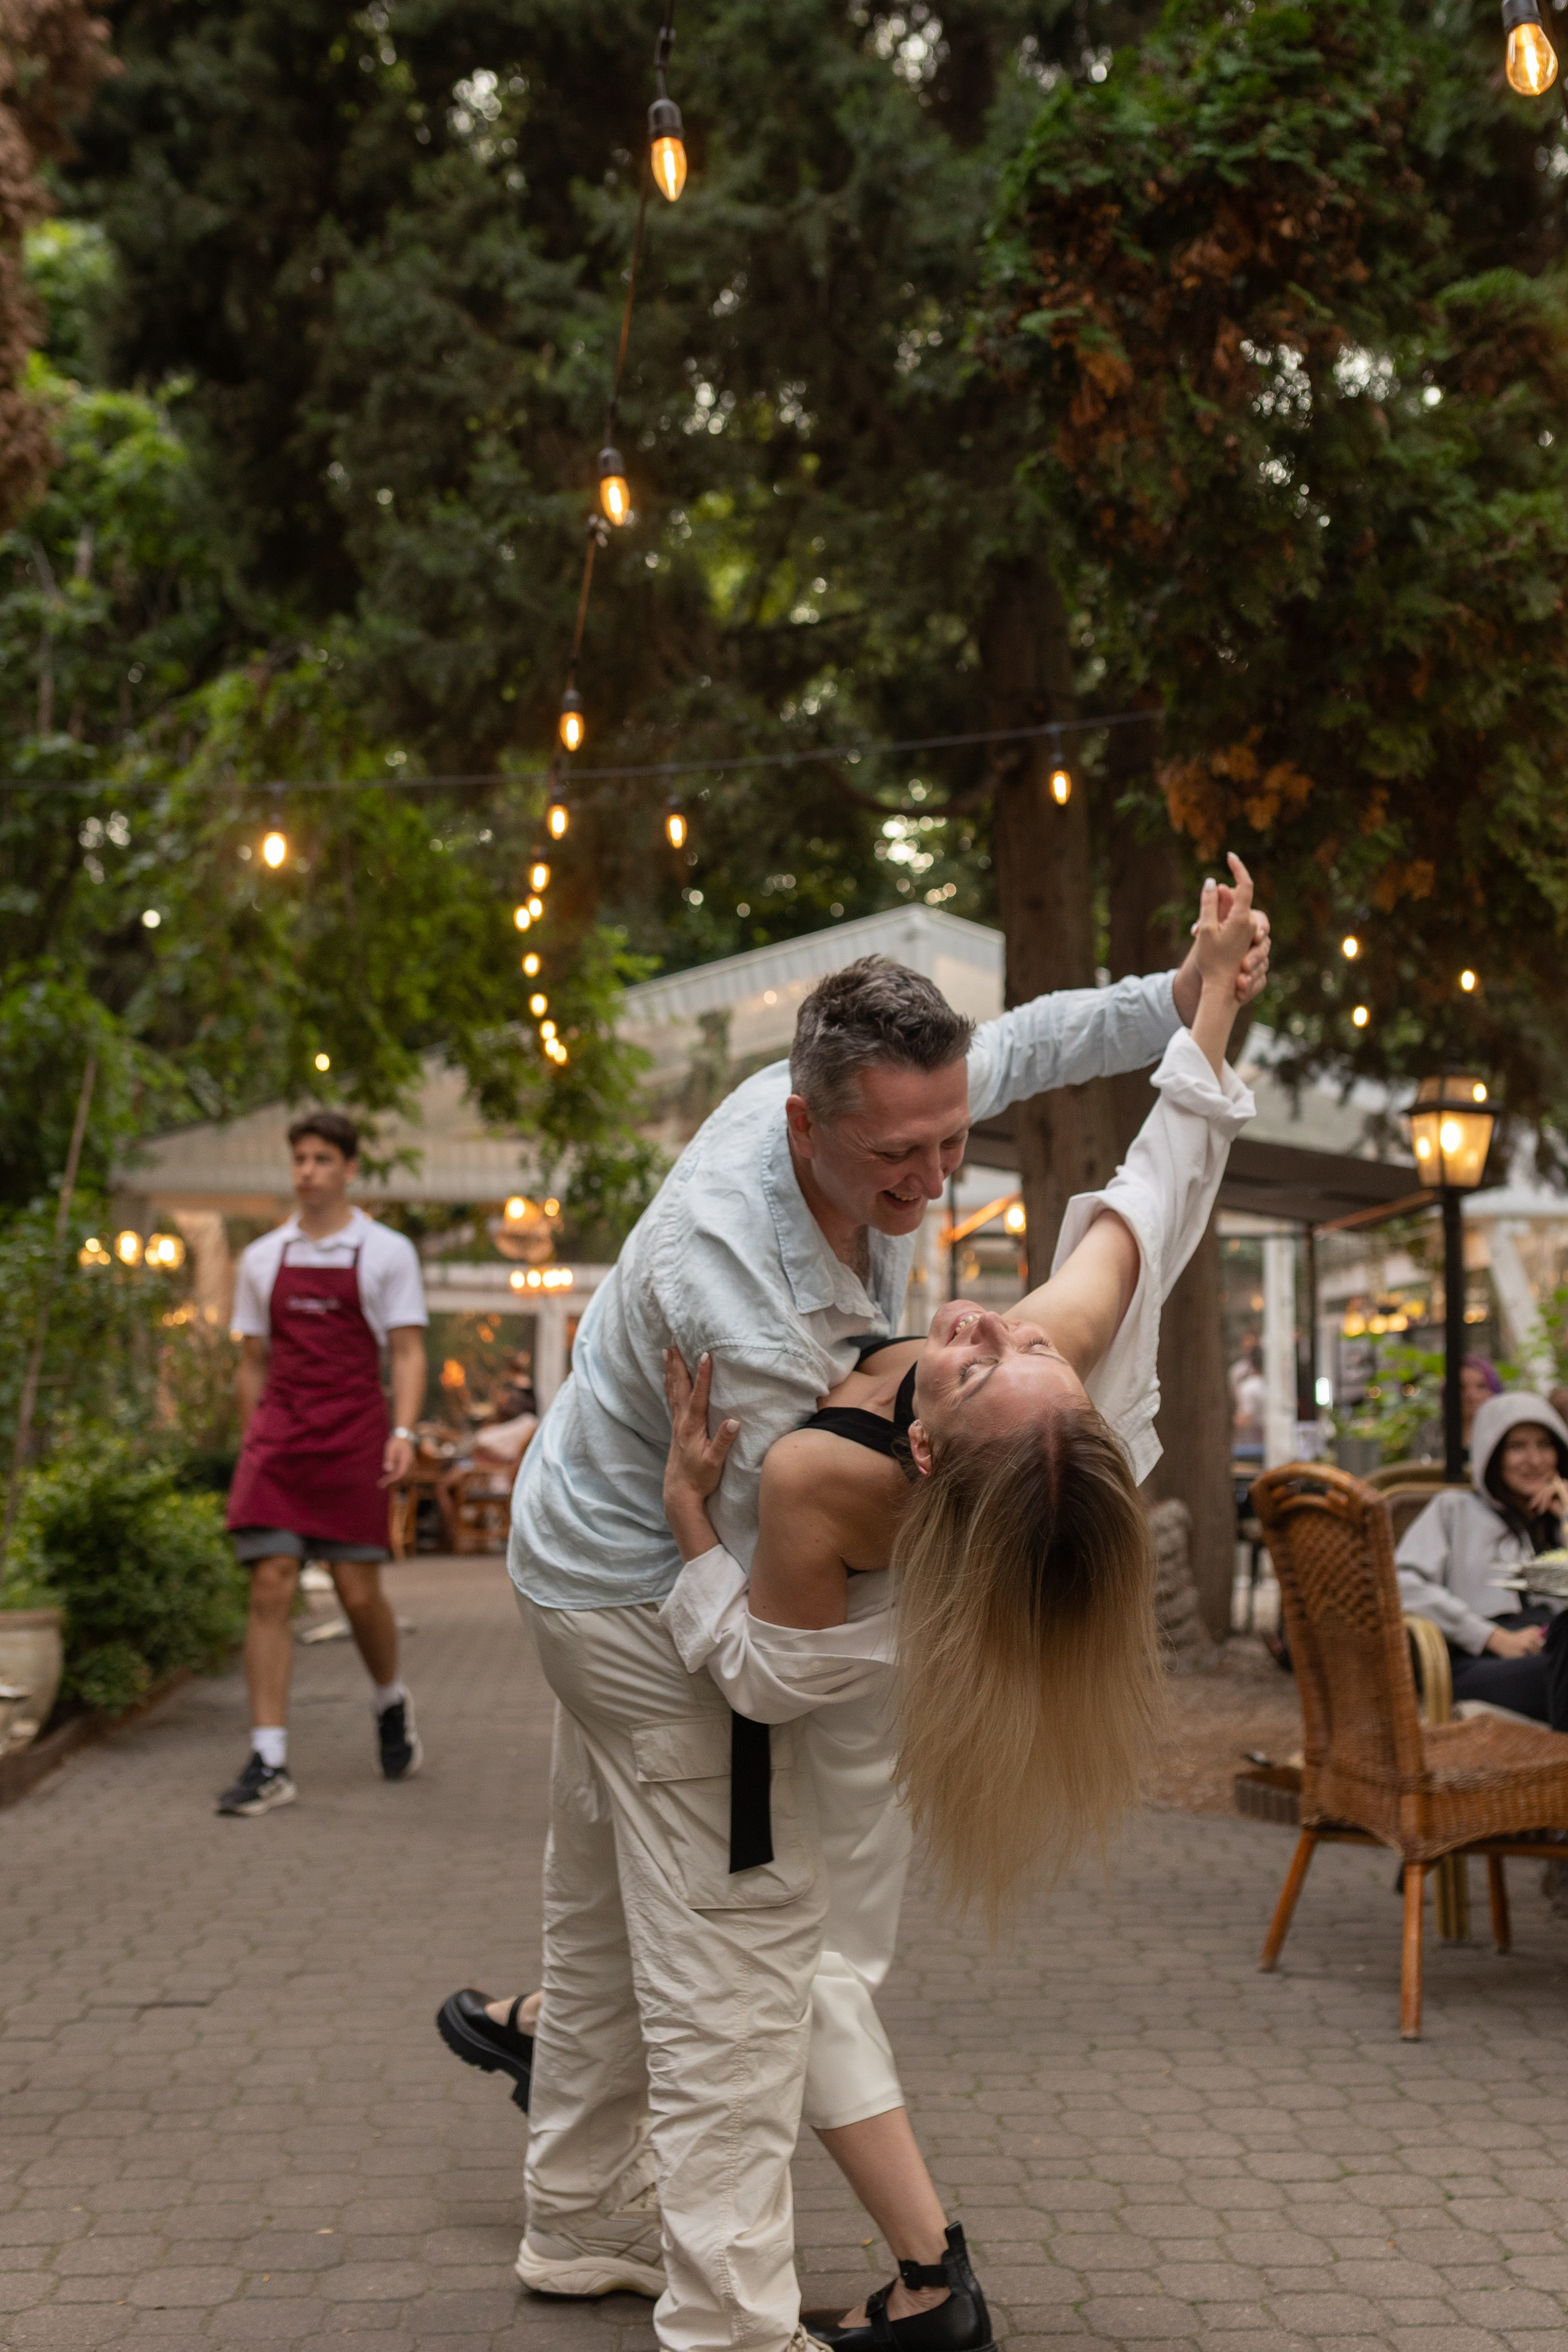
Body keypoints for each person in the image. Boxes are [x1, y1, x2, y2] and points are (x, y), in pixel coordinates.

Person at [444, 863, 1261, 2351]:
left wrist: (1189, 983)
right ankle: (734, 2326)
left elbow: (1066, 1075)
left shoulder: (897, 1155)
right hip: (631, 1594)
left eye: (953, 1137)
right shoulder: (751, 1325)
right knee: (736, 1971)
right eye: (900, 1155)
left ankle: (579, 2220)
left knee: (596, 1910)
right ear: (800, 1116)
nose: (937, 1181)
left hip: (611, 1540)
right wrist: (699, 1513)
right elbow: (764, 1652)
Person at [219, 1110, 429, 1816]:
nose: (307, 1171)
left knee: (357, 1594)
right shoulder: (261, 1258)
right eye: (299, 1159)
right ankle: (269, 1758)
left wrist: (401, 1430)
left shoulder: (385, 1252)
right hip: (280, 1441)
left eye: (320, 1159)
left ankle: (389, 1700)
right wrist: (255, 1440)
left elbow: (405, 1351)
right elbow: (252, 1360)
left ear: (348, 1169)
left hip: (352, 1436)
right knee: (270, 1584)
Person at [1396, 1391, 1568, 1725]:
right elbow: (1402, 1585)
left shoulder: (1558, 1521)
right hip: (1480, 1661)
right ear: (1491, 1452)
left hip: (1553, 1647)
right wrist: (1489, 1636)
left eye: (1544, 1445)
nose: (1535, 1461)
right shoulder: (1454, 1510)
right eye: (1517, 1446)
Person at [1411, 1353, 1503, 1467]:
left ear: (1494, 1392)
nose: (1471, 1395)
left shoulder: (1504, 1433)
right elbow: (1418, 1472)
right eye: (1461, 1387)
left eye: (1481, 1386)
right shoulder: (1430, 1431)